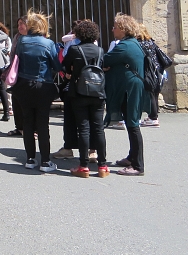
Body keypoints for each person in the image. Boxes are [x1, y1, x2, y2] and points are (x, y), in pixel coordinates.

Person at [11, 9, 61, 173]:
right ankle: (45, 161)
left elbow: (17, 59)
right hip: (42, 85)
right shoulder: (48, 44)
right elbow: (56, 65)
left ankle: (30, 159)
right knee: (42, 123)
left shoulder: (22, 41)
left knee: (27, 122)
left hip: (23, 84)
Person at [104, 14, 150, 176]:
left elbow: (105, 60)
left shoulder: (124, 46)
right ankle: (132, 157)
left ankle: (138, 166)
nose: (113, 29)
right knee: (131, 123)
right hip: (130, 87)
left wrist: (107, 67)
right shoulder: (131, 43)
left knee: (132, 124)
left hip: (130, 88)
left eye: (115, 27)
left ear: (123, 30)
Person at [62, 20, 108, 178]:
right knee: (98, 128)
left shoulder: (75, 49)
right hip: (98, 93)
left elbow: (66, 67)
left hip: (79, 92)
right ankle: (102, 166)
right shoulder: (100, 50)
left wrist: (73, 70)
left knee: (83, 129)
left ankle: (83, 165)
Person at [137, 23, 168, 128]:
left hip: (149, 72)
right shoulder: (151, 42)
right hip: (158, 71)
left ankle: (153, 118)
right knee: (154, 94)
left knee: (151, 95)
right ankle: (153, 116)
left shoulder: (141, 44)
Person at [7, 16, 27, 137]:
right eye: (18, 24)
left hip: (27, 73)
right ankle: (20, 127)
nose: (19, 26)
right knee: (17, 101)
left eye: (22, 24)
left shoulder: (32, 38)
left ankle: (32, 129)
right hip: (16, 72)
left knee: (27, 102)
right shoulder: (17, 37)